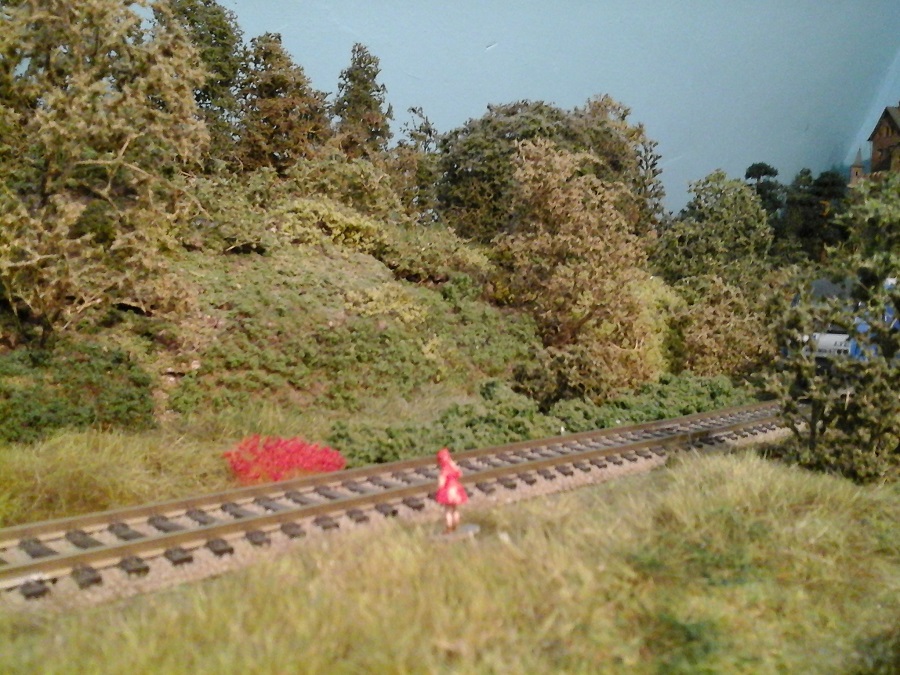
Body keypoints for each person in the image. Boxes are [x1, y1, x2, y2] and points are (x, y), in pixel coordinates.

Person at [435, 447, 468, 534]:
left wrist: (439, 489)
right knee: (455, 509)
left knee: (448, 510)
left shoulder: (443, 470)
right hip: (456, 489)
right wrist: (453, 464)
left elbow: (441, 483)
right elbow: (460, 474)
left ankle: (449, 527)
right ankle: (456, 525)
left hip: (448, 491)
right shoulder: (453, 467)